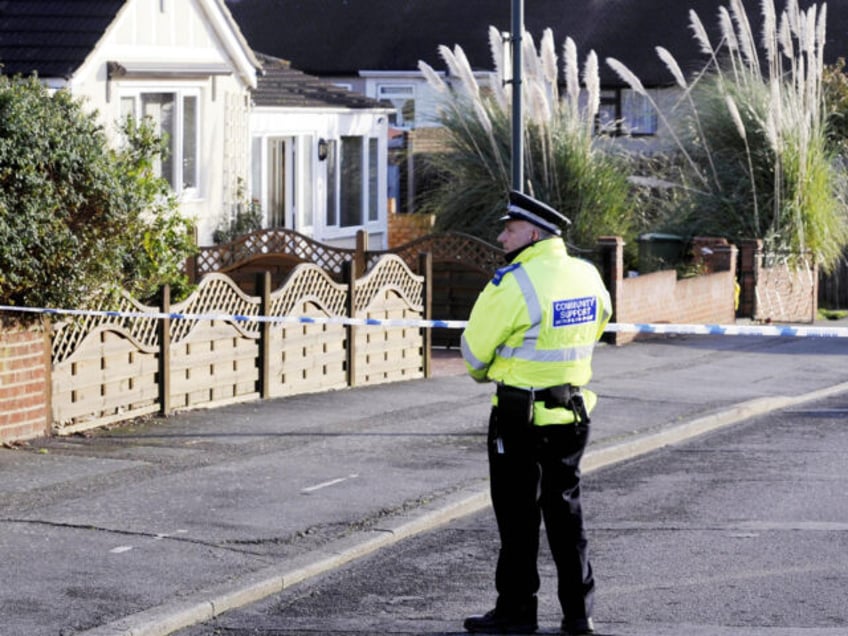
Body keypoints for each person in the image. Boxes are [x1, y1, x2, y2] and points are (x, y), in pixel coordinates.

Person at [461, 190, 612, 635]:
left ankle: (516, 612)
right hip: (572, 414)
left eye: (508, 230)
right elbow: (599, 323)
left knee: (518, 518)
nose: (501, 237)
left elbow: (473, 356)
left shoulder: (514, 283)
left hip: (517, 417)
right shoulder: (587, 275)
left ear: (532, 233)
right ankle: (578, 615)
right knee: (567, 515)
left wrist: (501, 366)